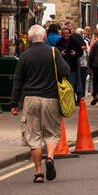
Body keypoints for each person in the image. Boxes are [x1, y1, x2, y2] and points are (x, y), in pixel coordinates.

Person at [11, 24, 72, 182]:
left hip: (30, 99)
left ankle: (38, 173)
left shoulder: (25, 56)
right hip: (50, 98)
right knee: (51, 133)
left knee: (34, 136)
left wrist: (14, 103)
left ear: (30, 39)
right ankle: (50, 158)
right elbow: (66, 71)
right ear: (44, 37)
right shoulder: (53, 52)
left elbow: (18, 81)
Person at [57, 24, 86, 100]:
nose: (66, 35)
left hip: (72, 66)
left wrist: (75, 53)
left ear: (70, 34)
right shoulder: (59, 42)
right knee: (64, 84)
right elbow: (56, 52)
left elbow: (80, 52)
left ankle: (71, 99)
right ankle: (68, 99)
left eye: (67, 33)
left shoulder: (74, 41)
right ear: (62, 34)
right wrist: (61, 53)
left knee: (71, 84)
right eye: (64, 33)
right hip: (62, 66)